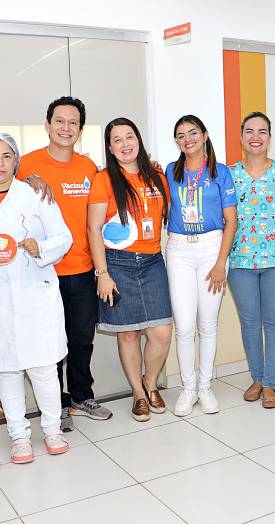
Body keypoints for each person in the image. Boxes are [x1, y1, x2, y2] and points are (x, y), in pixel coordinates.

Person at [0, 133, 73, 462]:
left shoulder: (36, 194)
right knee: (7, 370)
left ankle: (53, 429)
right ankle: (19, 436)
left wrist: (40, 247)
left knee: (43, 367)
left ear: (16, 160)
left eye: (6, 156)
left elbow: (64, 237)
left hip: (35, 291)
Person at [17, 97, 113, 430]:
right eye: (59, 121)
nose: (66, 128)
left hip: (83, 270)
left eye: (73, 123)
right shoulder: (25, 165)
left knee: (81, 340)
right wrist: (26, 181)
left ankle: (81, 396)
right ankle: (56, 406)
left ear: (80, 130)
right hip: (43, 273)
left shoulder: (88, 168)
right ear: (47, 125)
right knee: (51, 343)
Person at [87, 117, 172, 422]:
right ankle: (139, 393)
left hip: (152, 262)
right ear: (110, 148)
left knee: (161, 332)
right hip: (118, 264)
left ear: (138, 140)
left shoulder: (158, 177)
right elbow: (94, 229)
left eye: (130, 137)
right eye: (117, 140)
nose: (125, 144)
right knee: (129, 334)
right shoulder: (104, 180)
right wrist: (102, 274)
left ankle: (150, 382)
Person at [165, 115, 237, 416]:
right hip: (179, 250)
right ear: (177, 141)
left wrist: (221, 263)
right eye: (181, 135)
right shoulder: (170, 170)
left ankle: (205, 387)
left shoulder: (221, 172)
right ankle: (188, 388)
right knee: (183, 326)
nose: (188, 140)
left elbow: (231, 221)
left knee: (207, 324)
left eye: (193, 133)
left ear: (205, 135)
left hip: (211, 249)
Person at [227, 112, 275, 409]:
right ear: (241, 136)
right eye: (250, 131)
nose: (256, 137)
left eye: (262, 131)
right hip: (240, 261)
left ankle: (270, 383)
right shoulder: (228, 174)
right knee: (250, 322)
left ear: (269, 136)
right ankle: (256, 378)